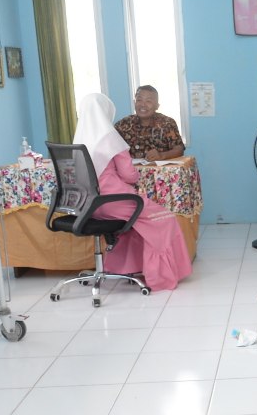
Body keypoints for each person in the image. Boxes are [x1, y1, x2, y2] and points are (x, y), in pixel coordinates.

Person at [73, 93, 192, 292]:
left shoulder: (79, 138)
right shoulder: (110, 138)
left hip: (88, 206)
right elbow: (130, 176)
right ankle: (160, 276)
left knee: (137, 223)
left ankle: (124, 267)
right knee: (164, 219)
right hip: (115, 202)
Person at [113, 85, 185, 162]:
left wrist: (162, 155)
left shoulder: (167, 123)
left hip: (161, 172)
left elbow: (179, 149)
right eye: (139, 100)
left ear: (157, 106)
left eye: (148, 101)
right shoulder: (123, 124)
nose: (143, 105)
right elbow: (110, 147)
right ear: (134, 102)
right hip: (130, 172)